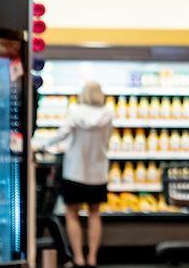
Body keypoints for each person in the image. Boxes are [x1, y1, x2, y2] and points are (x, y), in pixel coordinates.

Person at [43, 82, 114, 268]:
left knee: (72, 214)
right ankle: (92, 257)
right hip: (98, 172)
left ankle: (78, 257)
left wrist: (41, 145)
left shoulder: (75, 112)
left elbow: (61, 134)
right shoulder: (108, 113)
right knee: (94, 213)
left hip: (75, 171)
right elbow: (107, 141)